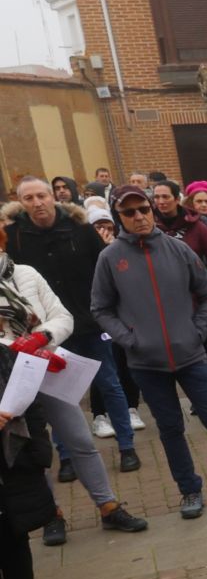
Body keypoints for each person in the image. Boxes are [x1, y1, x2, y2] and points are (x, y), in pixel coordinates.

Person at [91, 182, 207, 517]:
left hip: (190, 355)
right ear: (119, 217)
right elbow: (101, 309)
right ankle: (189, 490)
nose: (139, 217)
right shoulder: (110, 258)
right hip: (146, 363)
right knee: (170, 427)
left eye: (143, 209)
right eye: (129, 212)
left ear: (152, 210)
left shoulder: (178, 250)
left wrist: (197, 331)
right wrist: (129, 339)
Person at [0, 220, 149, 545]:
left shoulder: (26, 274)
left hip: (46, 365)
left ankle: (108, 505)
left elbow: (62, 316)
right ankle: (51, 515)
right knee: (31, 448)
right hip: (6, 380)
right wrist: (13, 346)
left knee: (79, 439)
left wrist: (42, 336)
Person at [5, 177, 141, 474]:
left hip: (91, 323)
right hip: (46, 333)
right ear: (20, 202)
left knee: (109, 384)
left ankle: (127, 446)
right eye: (29, 198)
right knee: (59, 396)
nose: (37, 203)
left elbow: (103, 274)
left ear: (53, 197)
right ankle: (67, 457)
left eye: (42, 195)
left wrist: (111, 312)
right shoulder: (14, 236)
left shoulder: (81, 230)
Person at [151, 178, 207, 392]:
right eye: (156, 197)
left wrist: (204, 285)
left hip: (199, 300)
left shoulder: (196, 227)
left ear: (177, 199)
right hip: (166, 302)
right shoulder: (150, 227)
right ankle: (195, 397)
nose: (161, 201)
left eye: (166, 197)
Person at [0, 348, 62, 579]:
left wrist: (39, 451)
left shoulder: (5, 356)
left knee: (15, 530)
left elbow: (32, 402)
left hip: (13, 460)